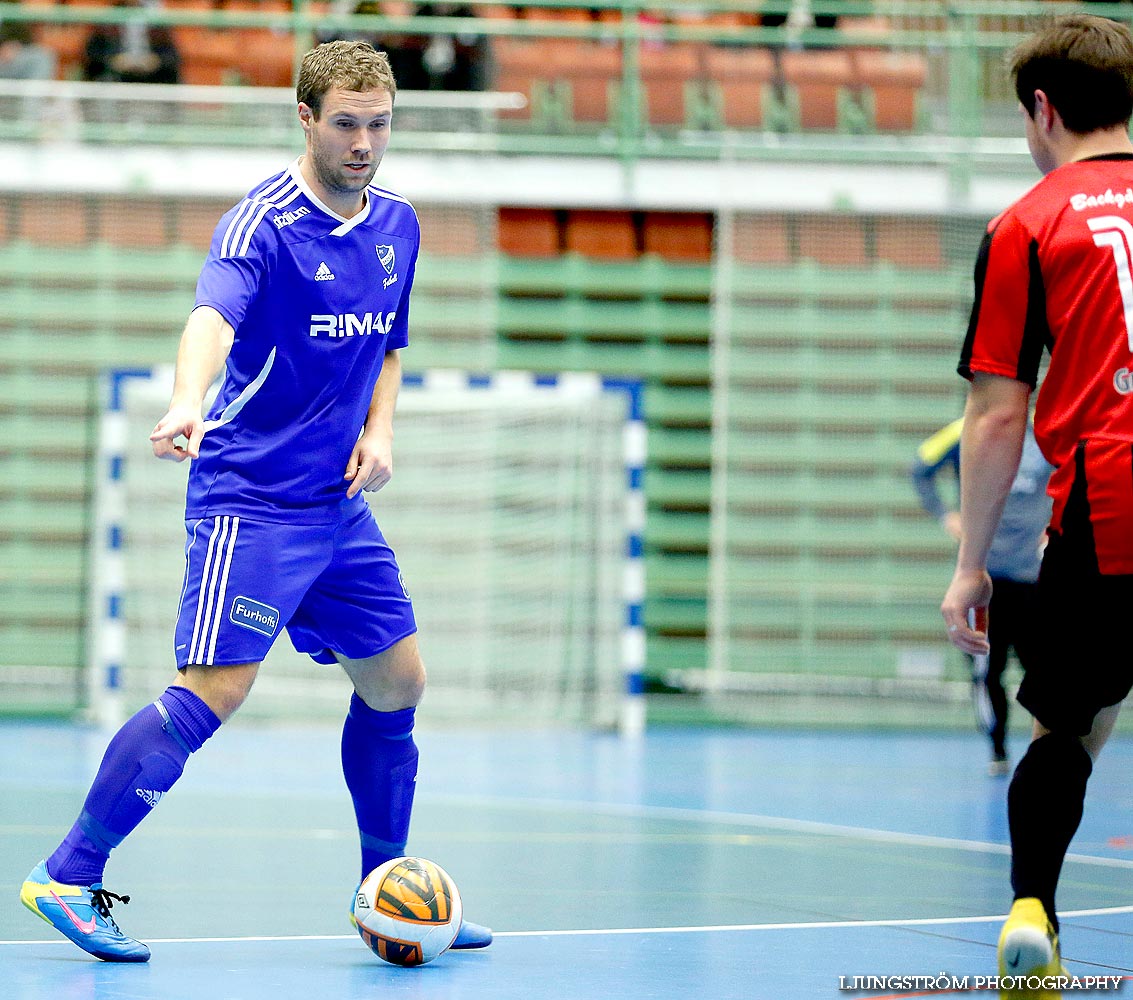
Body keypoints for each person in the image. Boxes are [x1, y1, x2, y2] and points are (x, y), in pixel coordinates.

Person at [19, 38, 491, 963]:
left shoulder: (398, 222)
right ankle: (68, 875)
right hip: (252, 499)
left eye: (380, 124)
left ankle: (381, 891)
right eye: (346, 124)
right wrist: (187, 401)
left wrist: (379, 431)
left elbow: (387, 340)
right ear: (306, 119)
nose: (364, 142)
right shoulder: (260, 225)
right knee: (216, 689)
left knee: (398, 680)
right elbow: (213, 318)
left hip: (338, 503)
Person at [941, 14, 1133, 996]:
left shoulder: (1024, 224)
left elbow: (993, 415)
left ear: (1042, 111)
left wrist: (969, 562)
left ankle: (1032, 917)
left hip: (1110, 495)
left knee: (1068, 731)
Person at [912, 417, 1053, 776]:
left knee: (1045, 668)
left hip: (1034, 576)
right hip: (984, 578)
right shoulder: (967, 429)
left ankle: (1049, 747)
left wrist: (1058, 526)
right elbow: (920, 467)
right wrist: (947, 516)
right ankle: (998, 749)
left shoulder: (1049, 430)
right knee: (987, 670)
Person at [82, 0, 180, 85]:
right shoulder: (108, 19)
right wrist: (114, 60)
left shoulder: (155, 20)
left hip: (151, 77)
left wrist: (155, 60)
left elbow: (171, 55)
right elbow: (93, 53)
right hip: (116, 78)